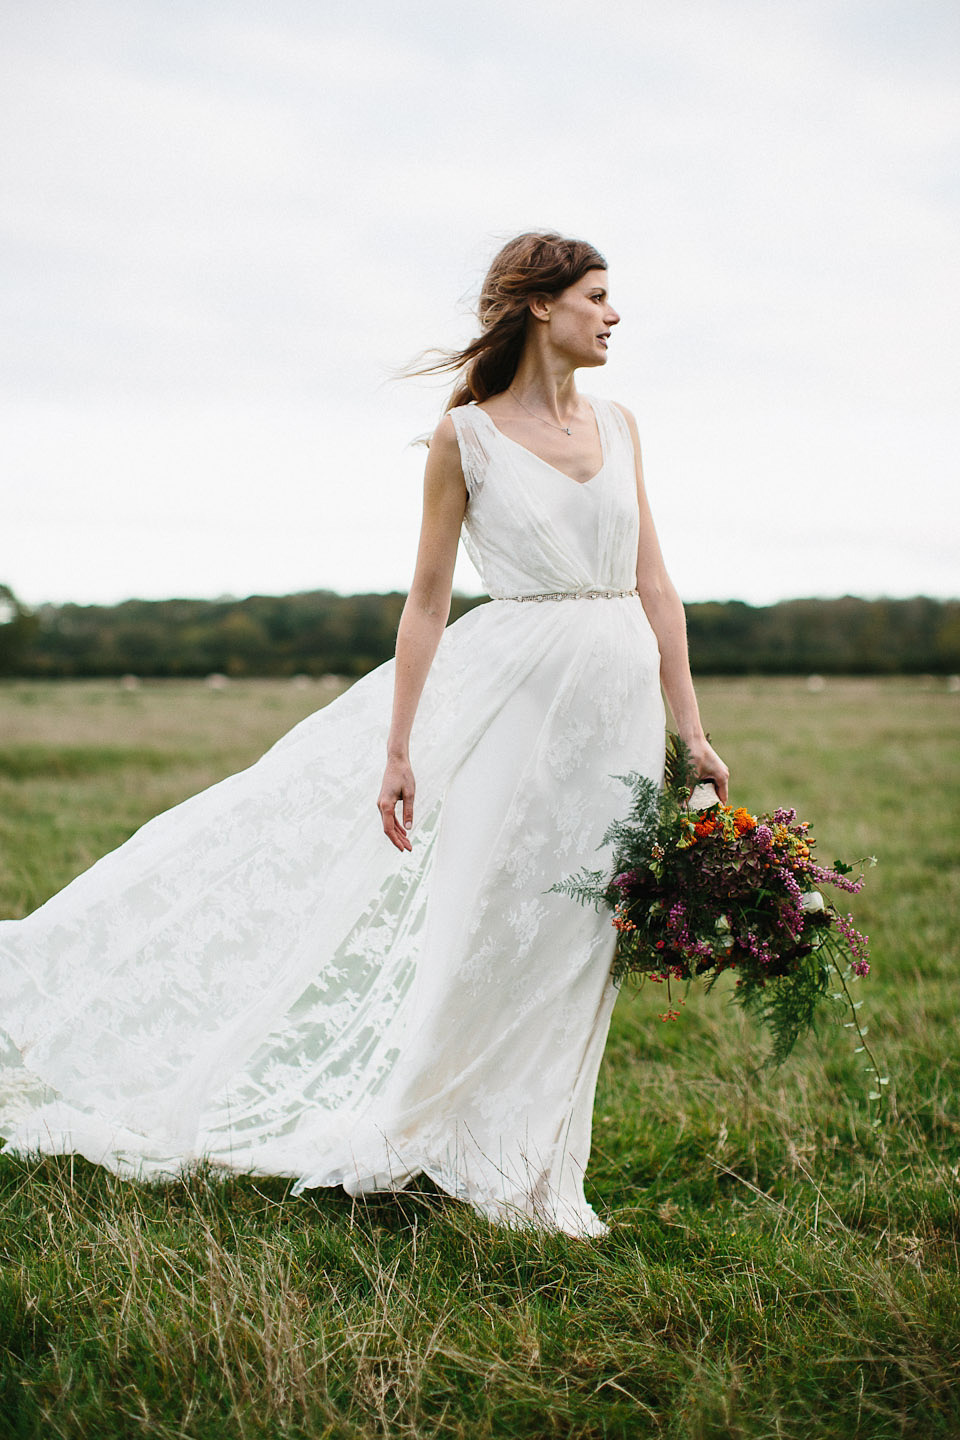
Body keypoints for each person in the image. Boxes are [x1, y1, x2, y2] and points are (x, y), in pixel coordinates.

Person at [0, 232, 727, 1238]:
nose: (613, 316)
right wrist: (399, 747)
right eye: (597, 297)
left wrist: (690, 733)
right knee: (493, 924)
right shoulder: (463, 438)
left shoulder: (623, 424)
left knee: (587, 934)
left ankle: (533, 1173)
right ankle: (426, 1137)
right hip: (518, 702)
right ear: (537, 306)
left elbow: (656, 586)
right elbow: (426, 604)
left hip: (617, 707)